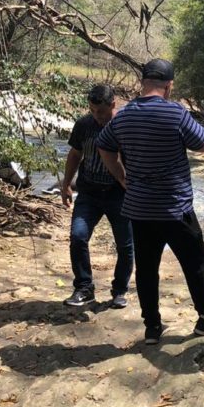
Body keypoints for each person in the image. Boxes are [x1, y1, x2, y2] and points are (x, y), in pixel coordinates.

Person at [97, 58, 204, 344]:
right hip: (176, 208)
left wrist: (123, 178)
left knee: (147, 268)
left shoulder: (122, 117)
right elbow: (202, 144)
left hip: (140, 209)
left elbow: (104, 146)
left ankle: (152, 327)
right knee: (195, 262)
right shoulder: (175, 113)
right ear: (169, 85)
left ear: (142, 83)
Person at [61, 84, 134, 308]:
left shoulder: (125, 125)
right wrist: (66, 184)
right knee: (78, 237)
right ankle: (84, 288)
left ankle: (119, 290)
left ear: (113, 105)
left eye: (100, 111)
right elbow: (75, 154)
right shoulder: (84, 125)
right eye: (92, 110)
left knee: (125, 245)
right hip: (89, 193)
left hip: (119, 194)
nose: (96, 116)